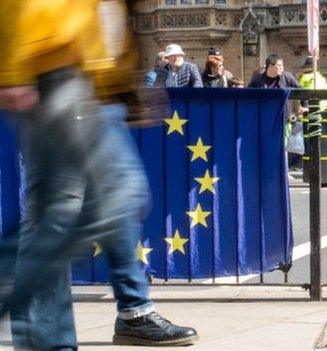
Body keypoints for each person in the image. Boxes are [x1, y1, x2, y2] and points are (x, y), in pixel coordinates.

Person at [0, 1, 198, 349]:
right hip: (52, 67)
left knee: (104, 202)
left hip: (86, 78)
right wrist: (13, 70)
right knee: (66, 211)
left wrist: (122, 81)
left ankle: (124, 314)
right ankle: (48, 338)